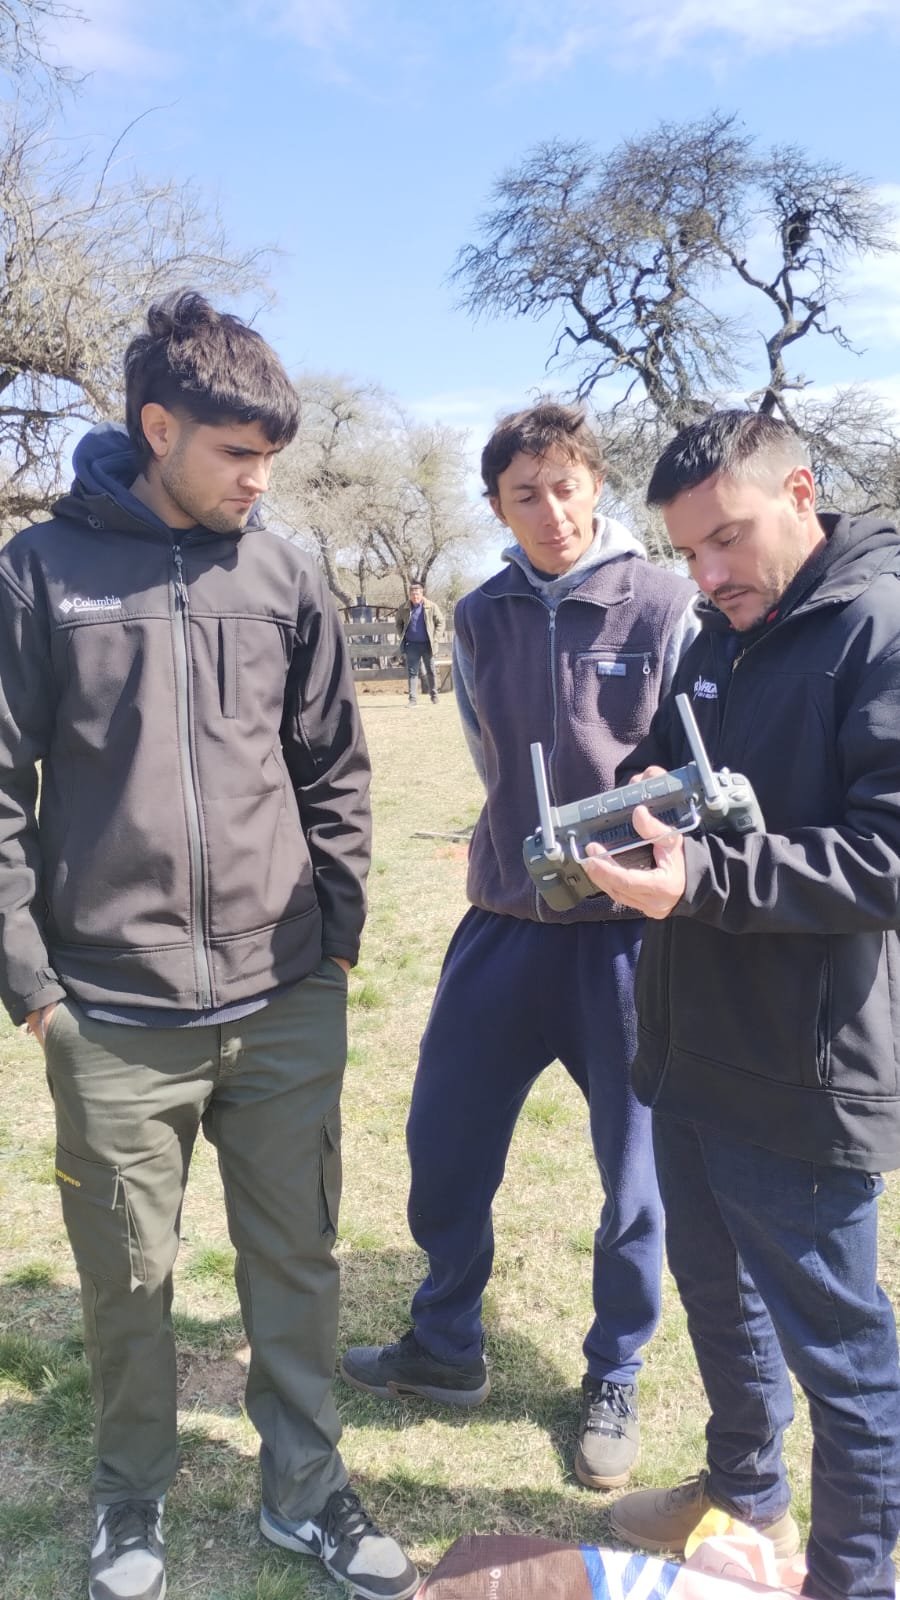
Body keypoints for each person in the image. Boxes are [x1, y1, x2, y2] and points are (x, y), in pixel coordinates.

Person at [0, 292, 418, 1600]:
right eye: (237, 455)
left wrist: (336, 949)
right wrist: (32, 993)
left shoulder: (284, 576)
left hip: (286, 996)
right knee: (128, 1282)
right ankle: (131, 1503)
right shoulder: (38, 574)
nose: (259, 481)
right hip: (111, 1016)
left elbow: (335, 775)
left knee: (297, 1263)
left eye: (271, 460)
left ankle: (307, 1494)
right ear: (157, 426)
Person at [342, 403, 697, 1489]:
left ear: (597, 483)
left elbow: (695, 764)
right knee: (443, 1142)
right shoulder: (477, 613)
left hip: (624, 942)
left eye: (566, 484)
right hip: (501, 922)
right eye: (523, 493)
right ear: (495, 504)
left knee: (636, 1177)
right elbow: (486, 758)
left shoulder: (666, 602)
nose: (550, 510)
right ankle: (446, 1342)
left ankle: (616, 1367)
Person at [580, 411, 900, 1600]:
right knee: (718, 1295)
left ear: (803, 491)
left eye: (726, 540)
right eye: (689, 554)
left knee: (841, 1345)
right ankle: (743, 1492)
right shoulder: (718, 632)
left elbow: (889, 854)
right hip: (686, 1040)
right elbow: (672, 762)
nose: (707, 577)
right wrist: (626, 806)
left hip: (806, 1062)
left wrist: (708, 876)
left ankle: (854, 1575)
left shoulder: (878, 622)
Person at [395, 579, 445, 704]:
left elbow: (441, 622)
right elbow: (398, 623)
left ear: (422, 594)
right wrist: (402, 636)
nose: (415, 597)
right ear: (410, 595)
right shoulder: (403, 608)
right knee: (412, 672)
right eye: (413, 595)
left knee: (431, 670)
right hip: (411, 645)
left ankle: (434, 695)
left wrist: (435, 638)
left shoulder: (431, 606)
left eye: (417, 594)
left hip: (428, 645)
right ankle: (412, 699)